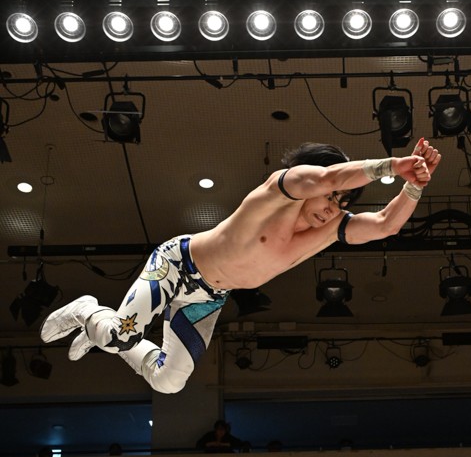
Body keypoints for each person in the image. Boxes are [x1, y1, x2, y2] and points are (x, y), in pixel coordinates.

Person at [40, 140, 441, 393]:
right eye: (331, 198)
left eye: (341, 204)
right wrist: (393, 166)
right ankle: (90, 313)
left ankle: (104, 331)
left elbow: (386, 224)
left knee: (168, 382)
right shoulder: (279, 190)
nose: (331, 209)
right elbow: (324, 177)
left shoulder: (329, 229)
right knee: (118, 336)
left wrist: (415, 185)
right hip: (178, 264)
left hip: (209, 297)